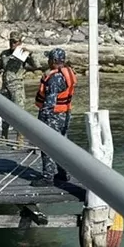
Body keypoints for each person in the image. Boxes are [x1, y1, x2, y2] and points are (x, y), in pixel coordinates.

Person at [32, 47, 77, 187]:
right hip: (64, 114)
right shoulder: (66, 73)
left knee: (48, 145)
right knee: (61, 144)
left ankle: (48, 177)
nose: (48, 61)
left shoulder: (55, 79)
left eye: (49, 58)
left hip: (53, 117)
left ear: (53, 61)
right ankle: (63, 173)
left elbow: (50, 103)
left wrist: (41, 122)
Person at [0, 31, 38, 149]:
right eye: (11, 41)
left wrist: (30, 55)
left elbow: (36, 66)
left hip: (17, 87)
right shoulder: (4, 54)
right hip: (5, 86)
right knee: (4, 112)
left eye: (15, 42)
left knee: (19, 113)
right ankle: (4, 137)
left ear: (19, 42)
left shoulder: (22, 54)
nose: (12, 44)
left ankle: (20, 140)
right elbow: (0, 67)